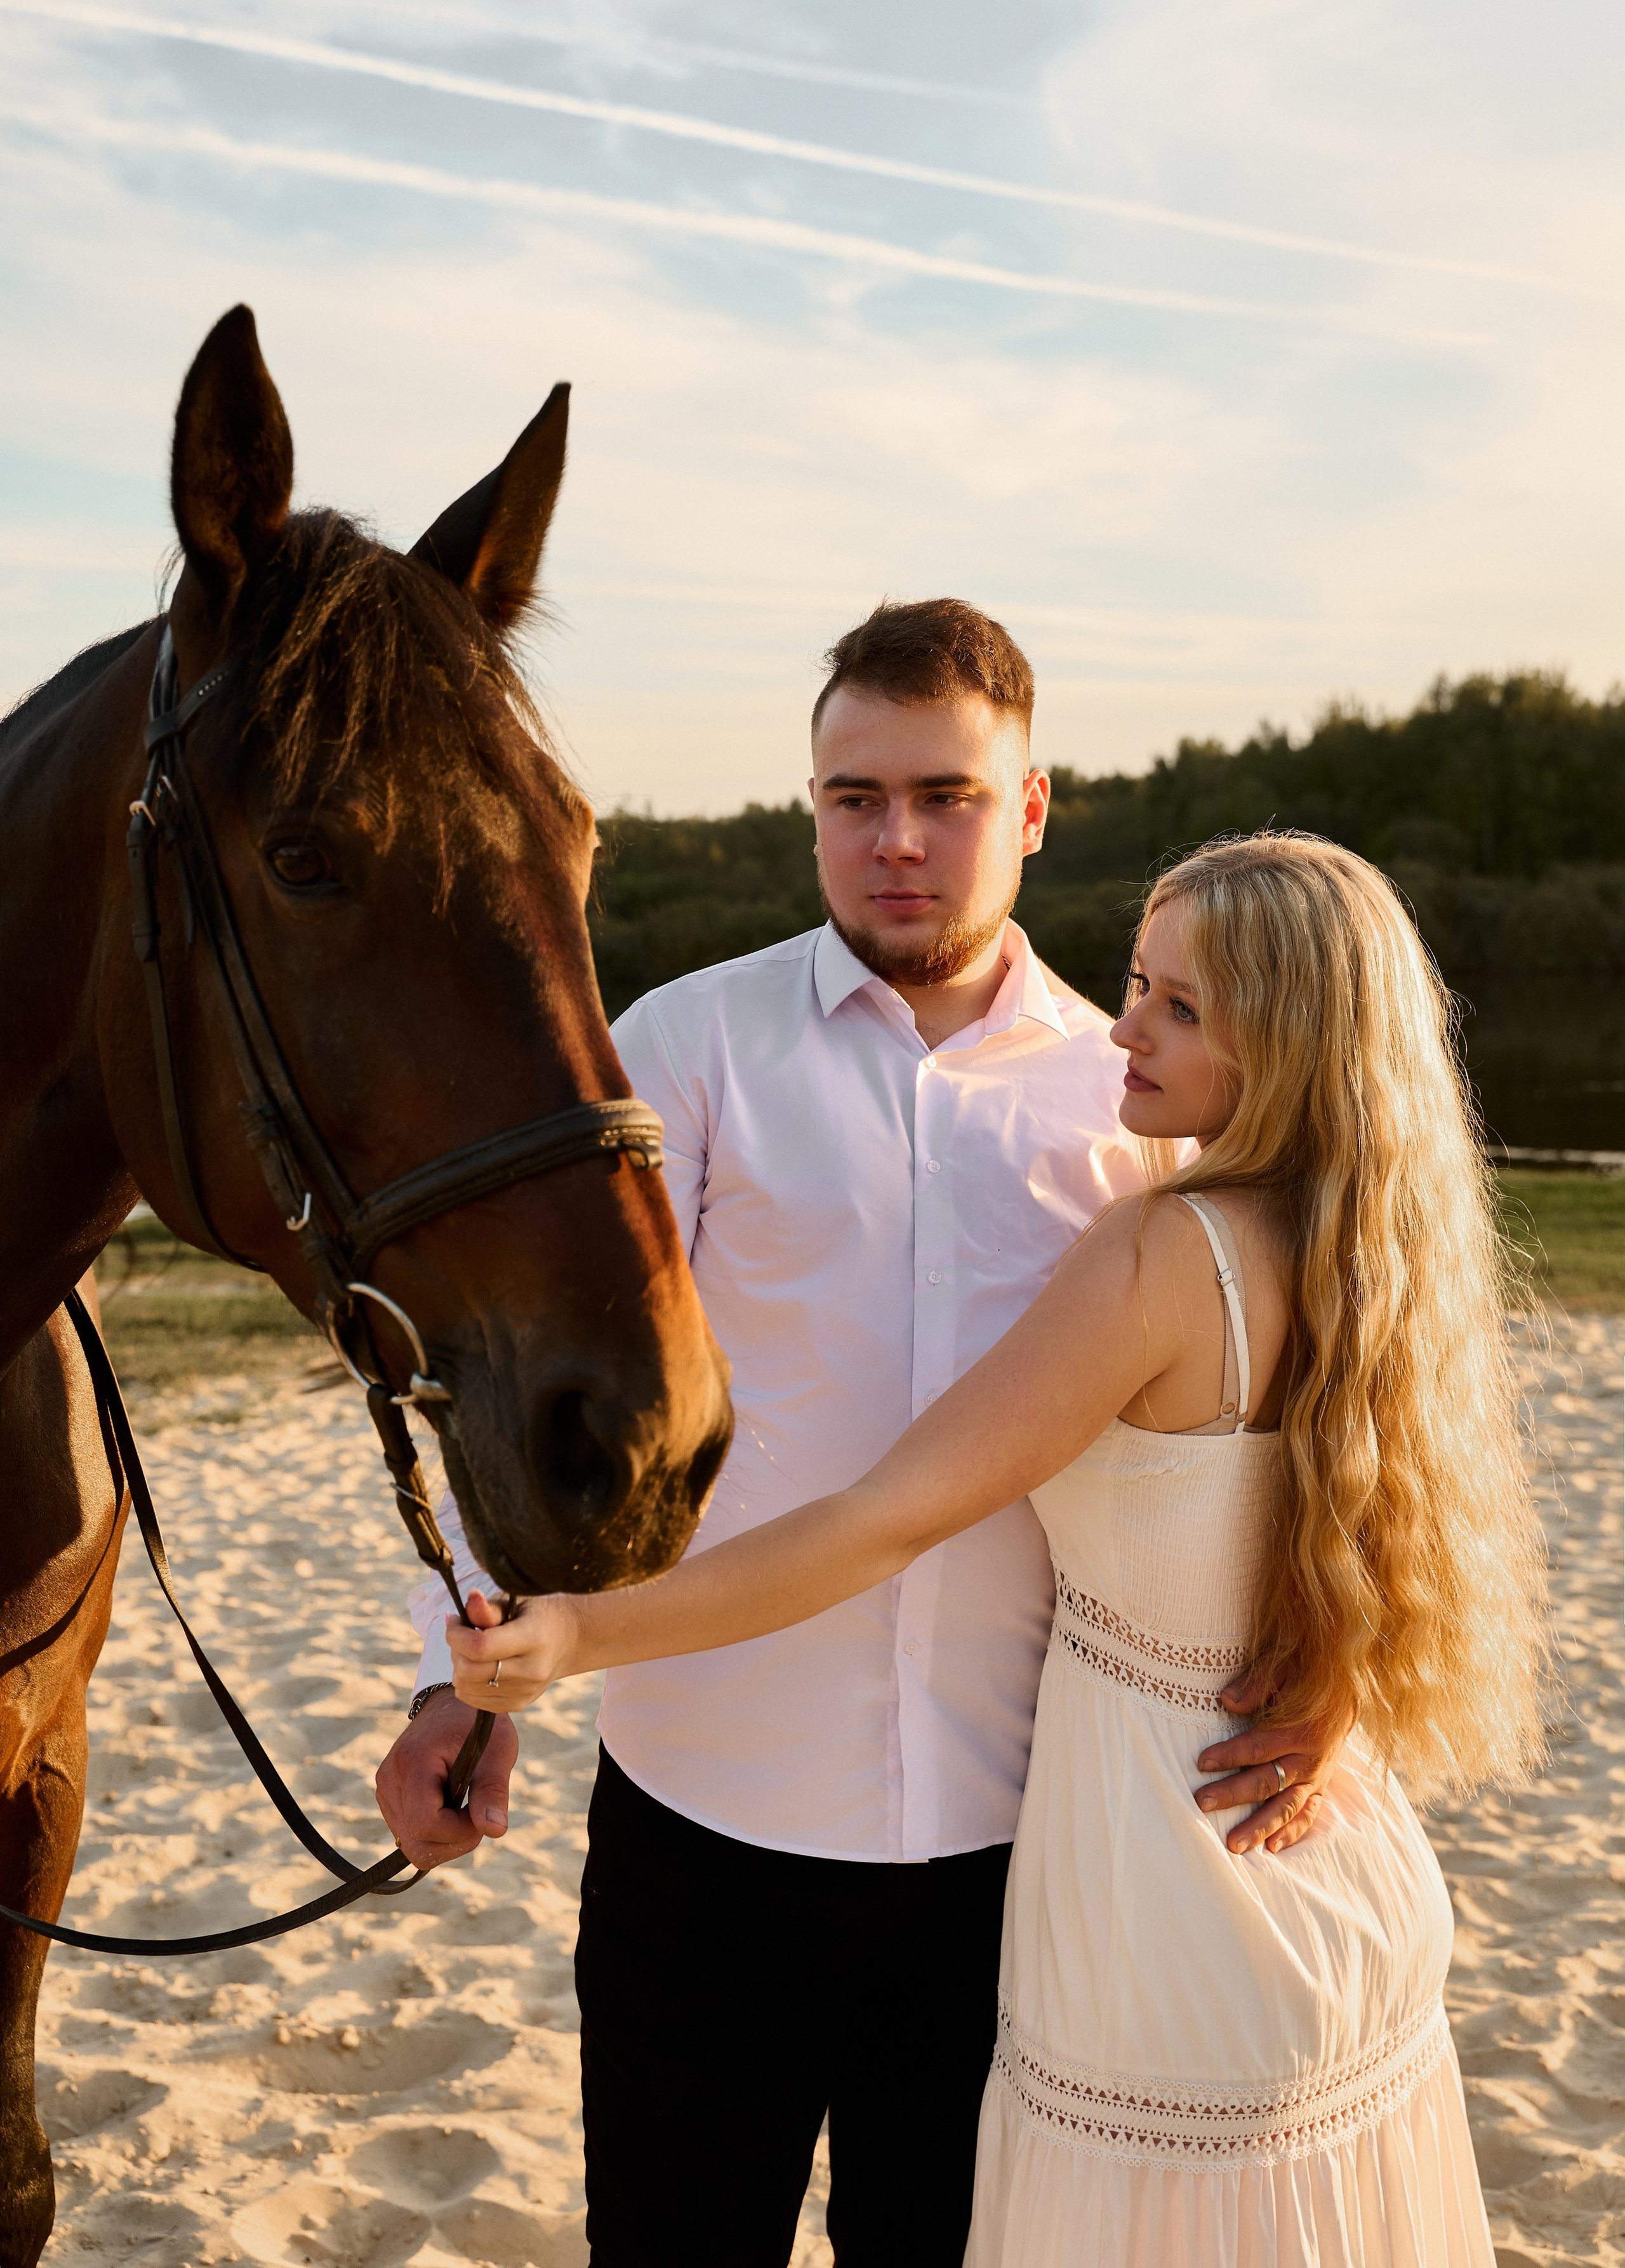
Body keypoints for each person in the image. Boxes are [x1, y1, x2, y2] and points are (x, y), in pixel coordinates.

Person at [376, 606, 1346, 2265]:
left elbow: (1275, 1420)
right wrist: (446, 1676)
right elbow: (525, 1378)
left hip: (1024, 1846)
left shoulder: (1140, 1092)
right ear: (811, 803)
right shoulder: (681, 1048)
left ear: (1034, 807)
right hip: (706, 1819)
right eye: (853, 796)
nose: (896, 840)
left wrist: (1329, 1666)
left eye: (947, 796)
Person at [446, 830, 1548, 2267]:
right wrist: (1336, 1680)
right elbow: (1378, 1534)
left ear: (1288, 1041)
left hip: (1158, 1892)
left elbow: (890, 1511)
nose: (1126, 1029)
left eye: (1179, 1008)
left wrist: (584, 1633)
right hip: (1330, 1877)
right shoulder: (1377, 1248)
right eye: (1137, 983)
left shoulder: (1162, 1248)